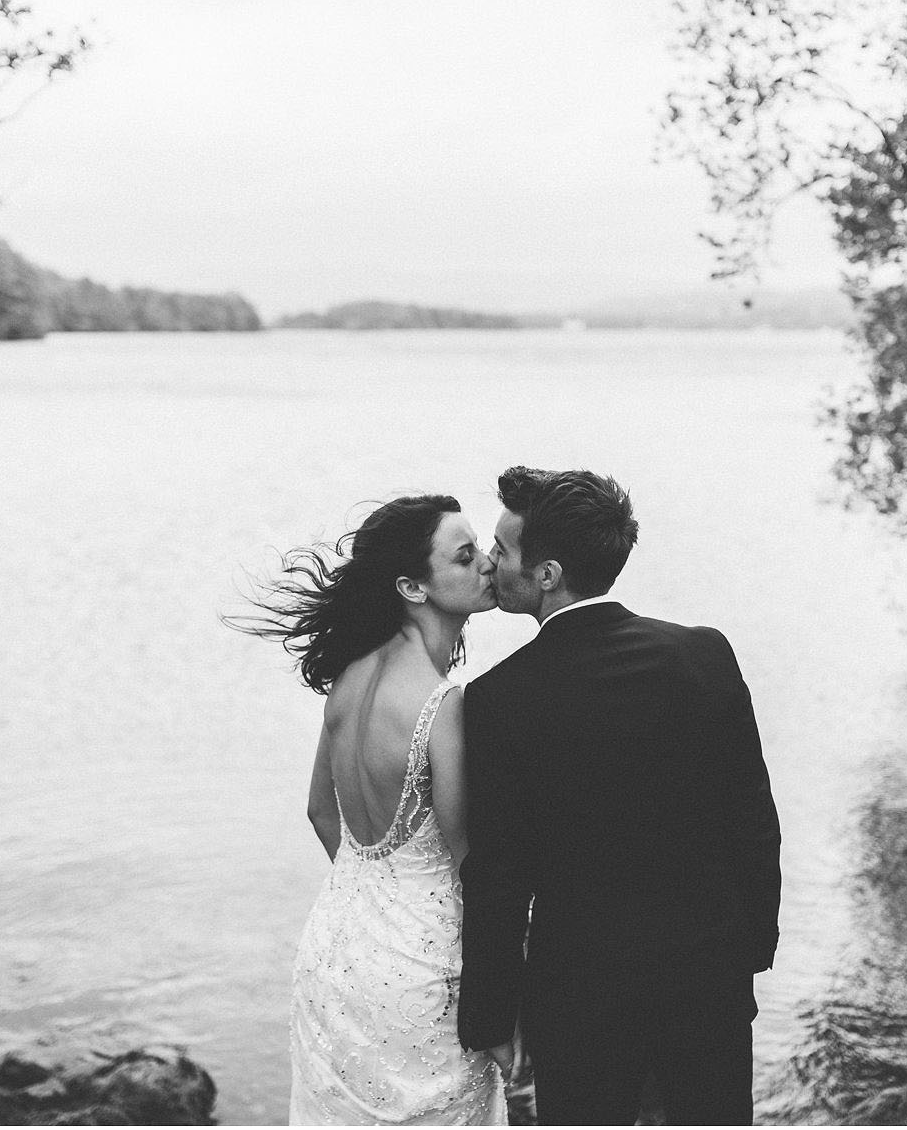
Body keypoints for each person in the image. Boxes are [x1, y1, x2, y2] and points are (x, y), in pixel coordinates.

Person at [458, 466, 782, 1125]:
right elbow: (753, 820)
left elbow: (498, 873)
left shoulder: (499, 698)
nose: (491, 564)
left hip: (582, 997)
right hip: (709, 981)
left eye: (501, 548)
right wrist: (749, 951)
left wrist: (489, 1016)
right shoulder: (703, 654)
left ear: (546, 573)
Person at [232, 495, 508, 1125]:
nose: (488, 564)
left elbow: (320, 813)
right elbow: (470, 862)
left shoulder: (349, 678)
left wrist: (377, 900)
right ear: (413, 586)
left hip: (337, 950)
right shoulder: (444, 706)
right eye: (466, 557)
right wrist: (502, 997)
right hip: (420, 973)